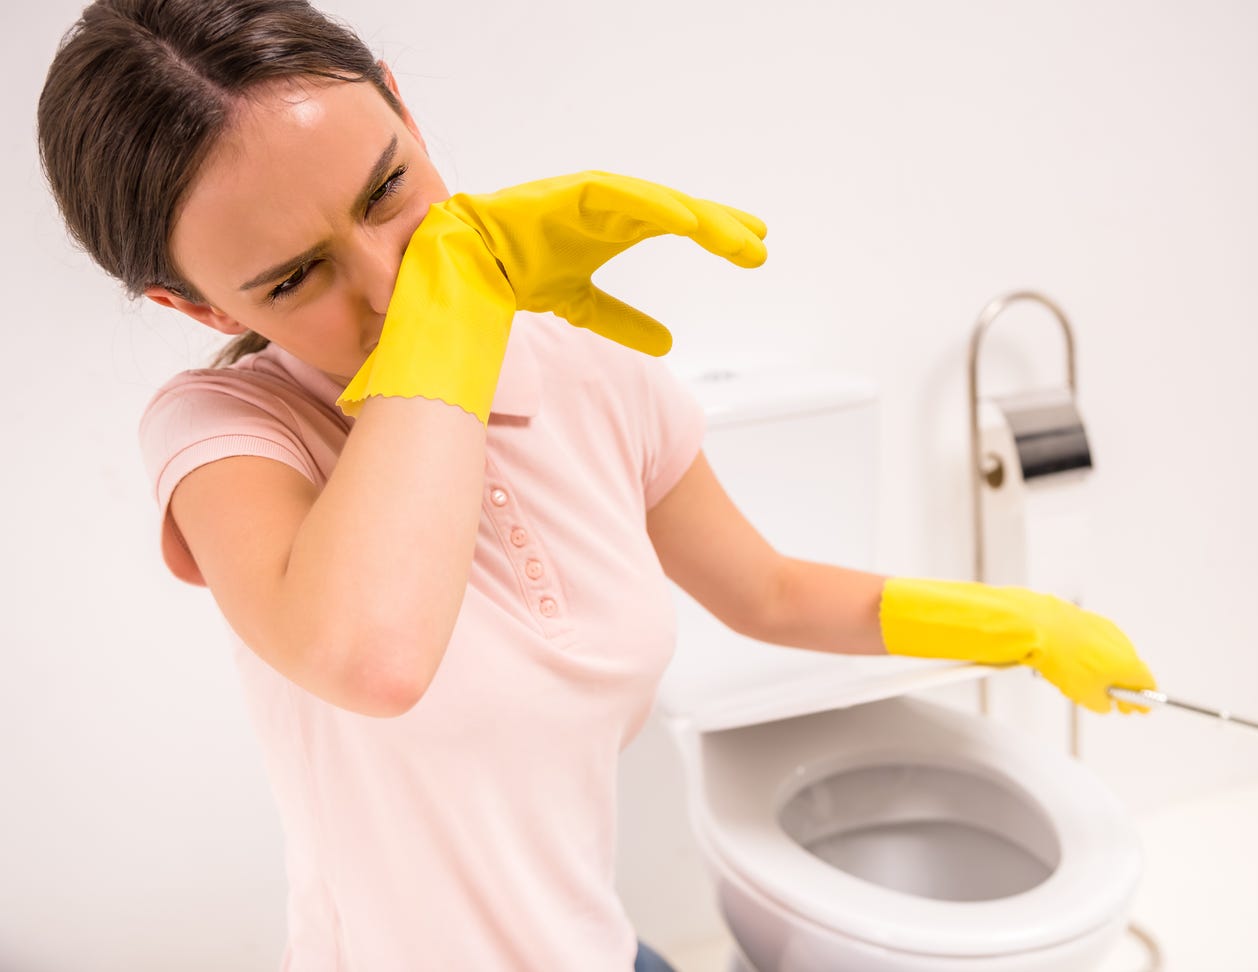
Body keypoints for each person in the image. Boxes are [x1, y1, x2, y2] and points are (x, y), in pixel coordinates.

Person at [36, 1, 1158, 969]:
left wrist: (1006, 623)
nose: (388, 283)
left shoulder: (599, 381)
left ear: (406, 110)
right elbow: (373, 655)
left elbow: (761, 590)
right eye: (294, 276)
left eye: (389, 189)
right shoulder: (229, 435)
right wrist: (460, 300)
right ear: (205, 310)